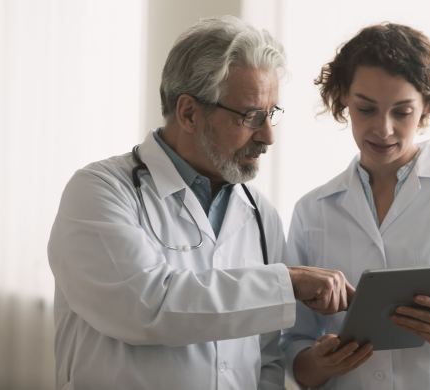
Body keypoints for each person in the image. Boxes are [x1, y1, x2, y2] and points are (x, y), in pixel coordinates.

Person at [48, 16, 354, 390]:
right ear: (189, 112)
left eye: (271, 114)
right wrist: (285, 283)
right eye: (251, 116)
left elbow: (266, 357)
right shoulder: (99, 191)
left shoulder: (261, 215)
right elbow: (147, 308)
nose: (268, 135)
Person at [281, 22, 430, 389]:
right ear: (345, 98)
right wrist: (320, 361)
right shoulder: (312, 210)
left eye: (402, 112)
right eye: (366, 109)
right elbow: (293, 349)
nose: (383, 129)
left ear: (425, 105)